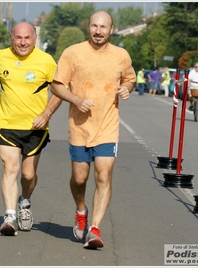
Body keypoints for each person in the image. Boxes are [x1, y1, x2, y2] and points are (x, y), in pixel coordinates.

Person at [50, 11, 136, 249]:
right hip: (79, 127)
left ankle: (95, 228)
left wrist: (127, 88)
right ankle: (81, 211)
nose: (99, 31)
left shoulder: (121, 55)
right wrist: (76, 100)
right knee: (79, 178)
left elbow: (129, 78)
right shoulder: (73, 53)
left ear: (111, 29)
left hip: (108, 126)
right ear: (89, 27)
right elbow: (56, 86)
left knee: (103, 175)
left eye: (103, 27)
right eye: (94, 26)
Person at [0, 22, 62, 236]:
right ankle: (9, 216)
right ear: (11, 37)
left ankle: (24, 203)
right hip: (7, 124)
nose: (23, 42)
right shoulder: (1, 56)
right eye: (18, 37)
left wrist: (46, 114)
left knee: (28, 175)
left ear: (35, 38)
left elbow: (59, 90)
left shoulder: (46, 61)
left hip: (36, 128)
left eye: (27, 38)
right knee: (10, 168)